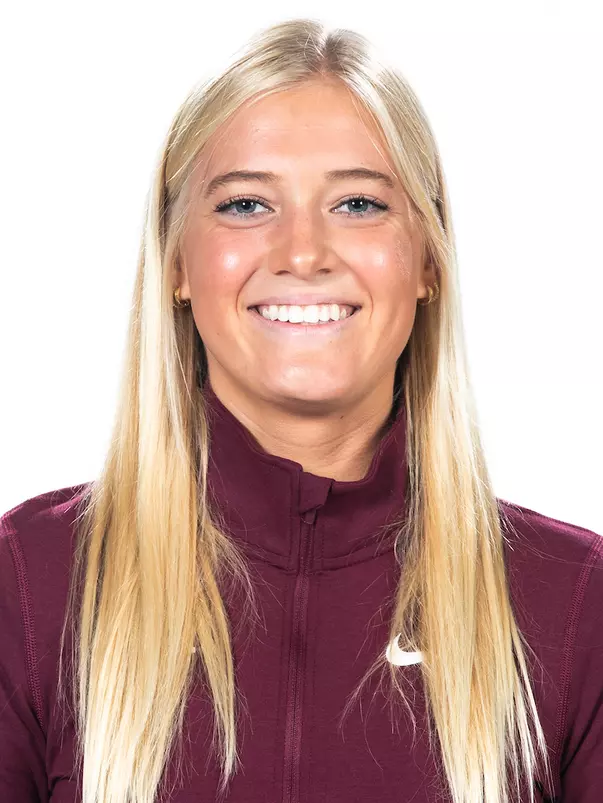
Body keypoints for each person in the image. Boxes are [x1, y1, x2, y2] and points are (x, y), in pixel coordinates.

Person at [0, 17, 601, 803]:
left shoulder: (573, 599)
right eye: (247, 204)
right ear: (177, 261)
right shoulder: (30, 582)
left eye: (357, 203)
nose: (303, 251)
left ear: (425, 257)